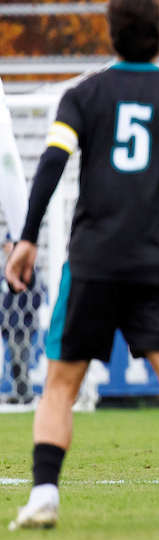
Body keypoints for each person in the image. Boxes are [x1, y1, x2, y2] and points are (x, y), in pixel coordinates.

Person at [4, 0, 159, 529]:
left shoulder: (83, 96)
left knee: (61, 383)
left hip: (93, 261)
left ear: (109, 32)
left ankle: (44, 497)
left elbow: (52, 164)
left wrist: (27, 236)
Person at [0, 75, 37, 405]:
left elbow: (35, 295)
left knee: (20, 362)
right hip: (7, 325)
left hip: (20, 325)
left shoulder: (26, 265)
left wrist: (26, 318)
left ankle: (24, 396)